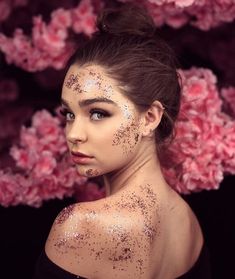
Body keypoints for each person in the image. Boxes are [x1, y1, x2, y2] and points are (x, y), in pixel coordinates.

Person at [33, 4, 211, 279]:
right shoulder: (187, 222)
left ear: (150, 117)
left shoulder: (82, 227)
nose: (73, 133)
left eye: (98, 112)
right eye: (69, 113)